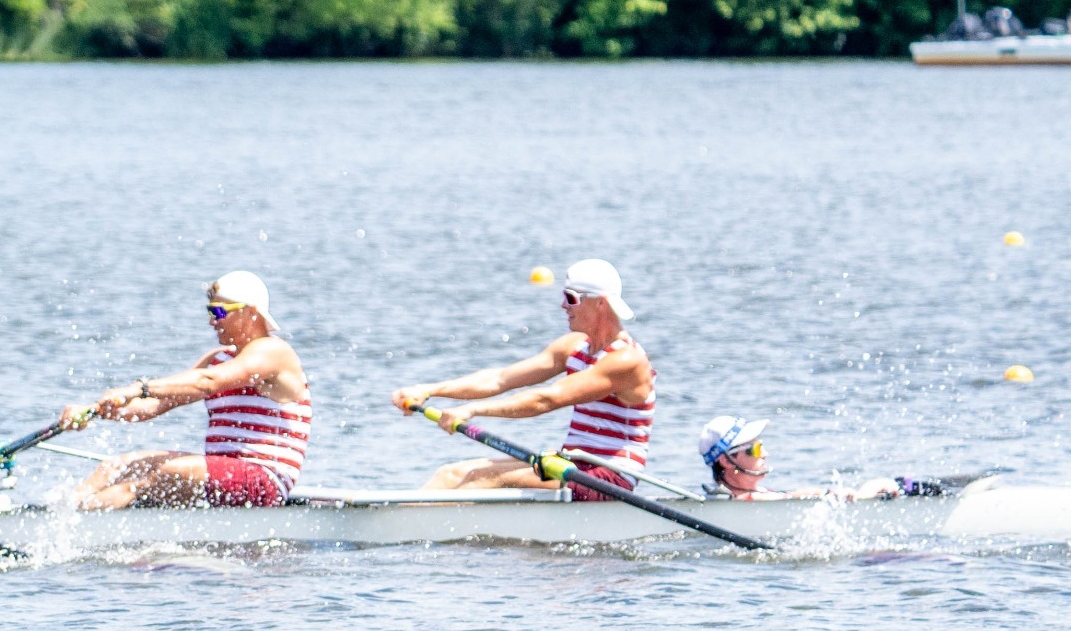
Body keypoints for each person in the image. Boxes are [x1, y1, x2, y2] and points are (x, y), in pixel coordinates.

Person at [391, 258, 654, 497]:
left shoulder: (626, 360)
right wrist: (428, 389)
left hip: (608, 478)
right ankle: (398, 525)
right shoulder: (574, 347)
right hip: (572, 463)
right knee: (450, 473)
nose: (563, 305)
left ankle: (420, 539)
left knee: (482, 480)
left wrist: (470, 411)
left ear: (600, 303)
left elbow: (546, 399)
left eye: (571, 298)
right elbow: (500, 379)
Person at [59, 271, 310, 509]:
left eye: (220, 311)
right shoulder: (218, 359)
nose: (212, 320)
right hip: (222, 475)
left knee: (163, 473)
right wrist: (93, 412)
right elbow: (152, 406)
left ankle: (82, 527)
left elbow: (207, 381)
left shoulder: (273, 351)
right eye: (210, 311)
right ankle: (58, 517)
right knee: (114, 466)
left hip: (264, 480)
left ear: (252, 313)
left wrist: (139, 388)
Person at [698, 415, 937, 501]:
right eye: (755, 449)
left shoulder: (750, 497)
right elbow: (790, 499)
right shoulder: (742, 503)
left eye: (762, 446)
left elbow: (789, 496)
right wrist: (861, 494)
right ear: (727, 461)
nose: (766, 454)